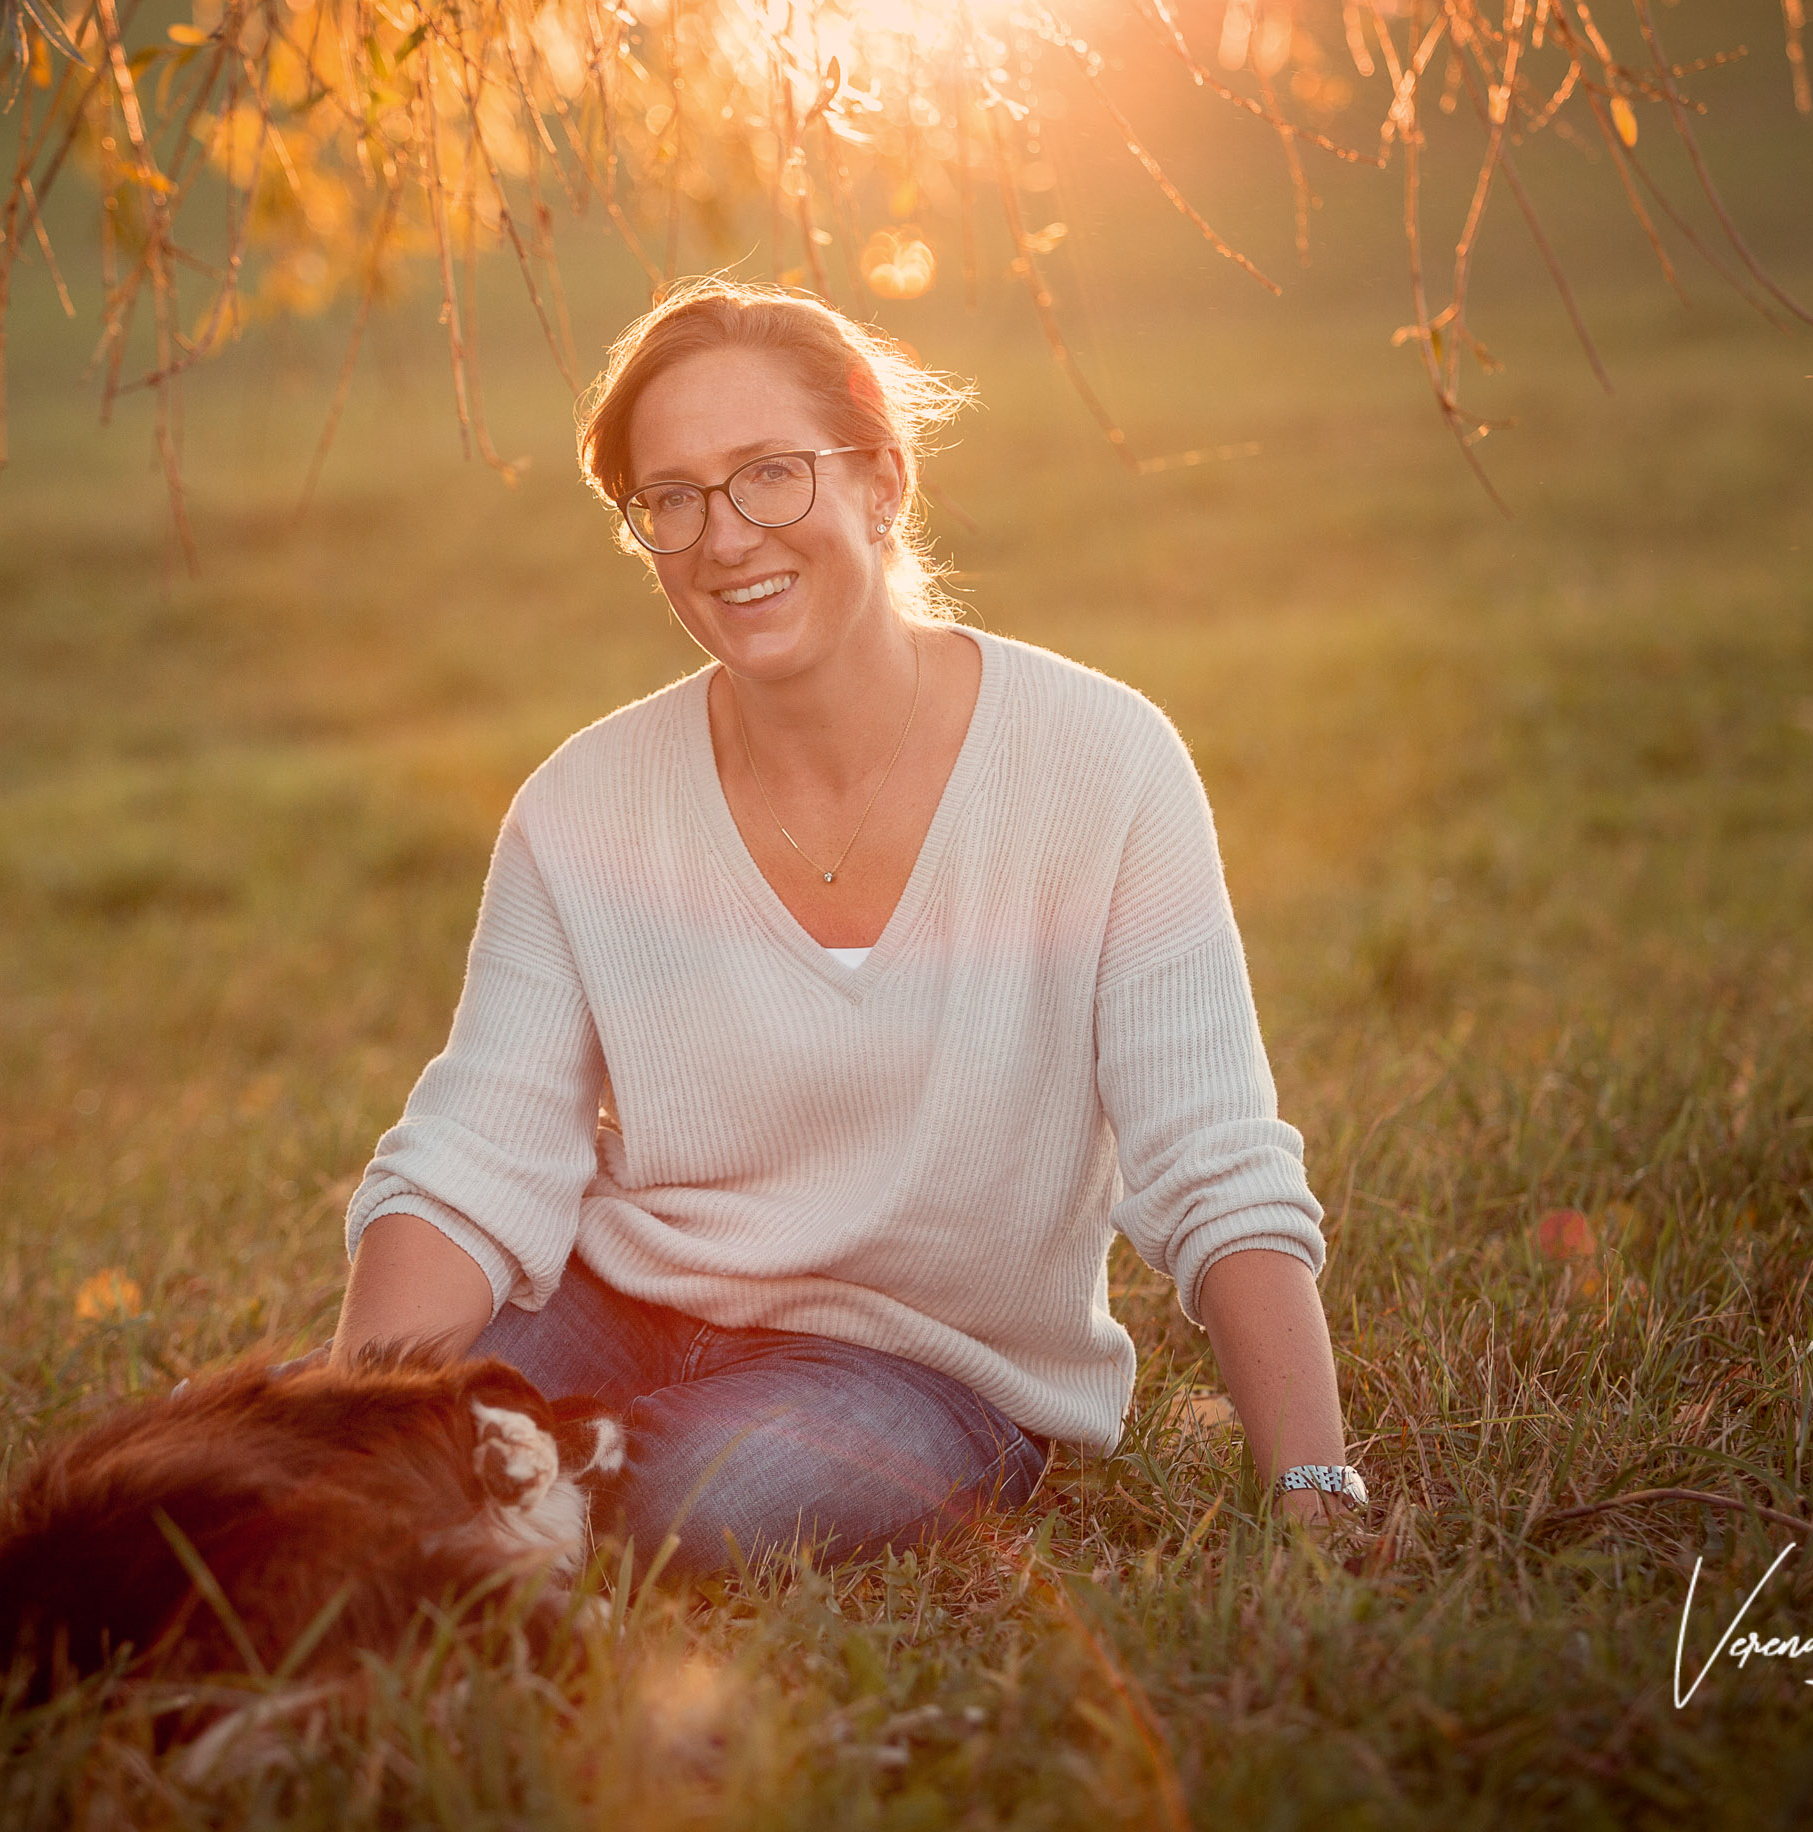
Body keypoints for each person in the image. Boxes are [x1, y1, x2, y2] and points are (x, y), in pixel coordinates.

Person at [331, 281, 1366, 1575]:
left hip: (918, 1372)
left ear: (882, 478)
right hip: (612, 1309)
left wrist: (1317, 1487)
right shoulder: (581, 807)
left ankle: (522, 1505)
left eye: (768, 473)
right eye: (674, 499)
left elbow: (1213, 1158)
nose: (722, 536)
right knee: (373, 1470)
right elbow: (474, 1156)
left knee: (708, 1505)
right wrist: (349, 1441)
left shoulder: (1102, 763)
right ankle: (464, 1506)